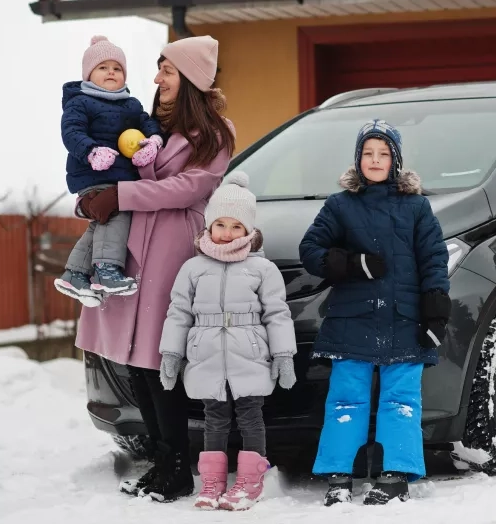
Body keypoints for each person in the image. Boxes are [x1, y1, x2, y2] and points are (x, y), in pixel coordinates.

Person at [75, 35, 236, 503]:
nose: (156, 78)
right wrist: (93, 193)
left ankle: (179, 469)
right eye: (158, 68)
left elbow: (187, 188)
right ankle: (163, 464)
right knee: (135, 362)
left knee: (159, 359)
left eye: (166, 69)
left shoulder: (215, 133)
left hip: (171, 249)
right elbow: (107, 170)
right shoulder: (144, 124)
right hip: (130, 245)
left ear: (189, 77)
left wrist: (120, 195)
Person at [299, 119, 451, 506]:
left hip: (404, 318)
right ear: (357, 159)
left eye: (383, 153)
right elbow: (311, 250)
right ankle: (339, 473)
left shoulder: (417, 208)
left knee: (401, 398)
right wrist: (353, 264)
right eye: (368, 153)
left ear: (396, 161)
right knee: (346, 397)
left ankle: (395, 472)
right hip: (353, 318)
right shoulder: (340, 206)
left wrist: (435, 309)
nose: (375, 159)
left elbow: (434, 258)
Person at [158, 171, 297, 511]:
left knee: (251, 416)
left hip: (248, 354)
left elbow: (277, 314)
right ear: (208, 226)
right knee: (214, 417)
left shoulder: (262, 270)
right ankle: (213, 482)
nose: (227, 233)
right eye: (220, 224)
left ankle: (251, 482)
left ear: (250, 230)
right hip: (206, 356)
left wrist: (283, 355)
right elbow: (178, 313)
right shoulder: (192, 268)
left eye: (237, 226)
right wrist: (171, 353)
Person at [54, 35, 163, 306]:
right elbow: (71, 132)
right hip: (93, 174)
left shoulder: (131, 104)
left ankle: (76, 273)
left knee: (101, 221)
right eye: (103, 67)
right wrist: (91, 151)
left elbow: (146, 122)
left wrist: (154, 140)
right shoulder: (80, 102)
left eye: (117, 68)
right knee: (117, 214)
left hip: (120, 176)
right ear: (89, 74)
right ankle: (106, 269)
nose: (111, 72)